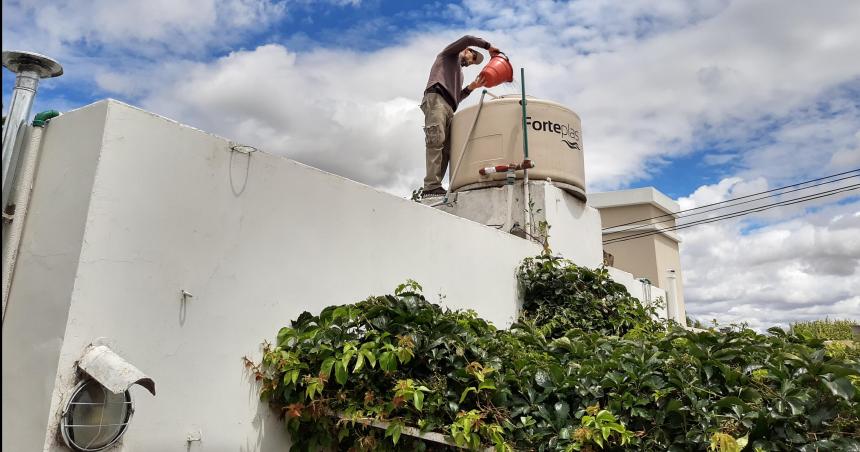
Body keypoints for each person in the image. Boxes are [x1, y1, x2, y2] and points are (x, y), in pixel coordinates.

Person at [421, 35, 501, 196]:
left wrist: (470, 88)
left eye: (473, 62)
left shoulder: (460, 74)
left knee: (447, 149)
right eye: (473, 58)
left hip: (450, 107)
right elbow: (467, 38)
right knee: (435, 141)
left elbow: (457, 97)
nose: (471, 62)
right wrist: (488, 46)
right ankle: (430, 186)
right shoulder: (448, 55)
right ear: (466, 50)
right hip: (436, 98)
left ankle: (435, 187)